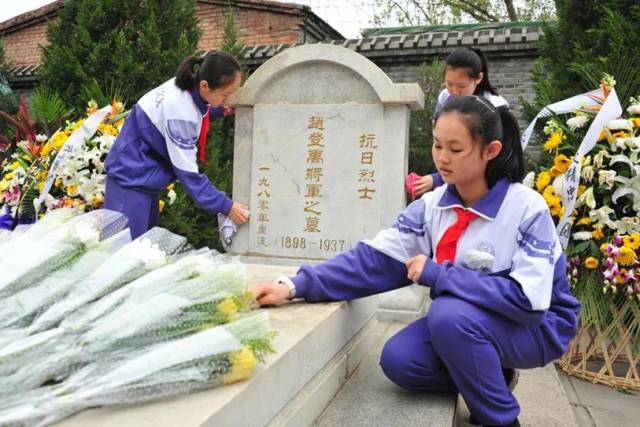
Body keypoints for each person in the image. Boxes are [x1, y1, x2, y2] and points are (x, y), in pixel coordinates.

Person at [251, 96, 579, 427]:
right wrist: (295, 285)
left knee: (447, 315)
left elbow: (529, 303)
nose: (441, 159)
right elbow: (375, 259)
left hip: (537, 327)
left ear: (490, 151)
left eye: (455, 149)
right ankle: (493, 375)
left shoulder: (526, 209)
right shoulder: (431, 206)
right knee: (401, 361)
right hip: (471, 321)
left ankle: (501, 419)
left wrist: (440, 274)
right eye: (437, 146)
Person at [105, 51, 250, 238]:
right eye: (226, 95)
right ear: (205, 86)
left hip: (141, 177)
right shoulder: (180, 113)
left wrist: (221, 111)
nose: (229, 100)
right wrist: (227, 206)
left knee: (141, 254)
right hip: (129, 182)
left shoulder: (188, 85)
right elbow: (188, 174)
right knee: (123, 255)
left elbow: (200, 111)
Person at [407, 47, 509, 200]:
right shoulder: (444, 98)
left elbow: (497, 161)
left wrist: (437, 179)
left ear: (479, 78)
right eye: (449, 84)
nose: (454, 91)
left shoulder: (495, 106)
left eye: (461, 86)